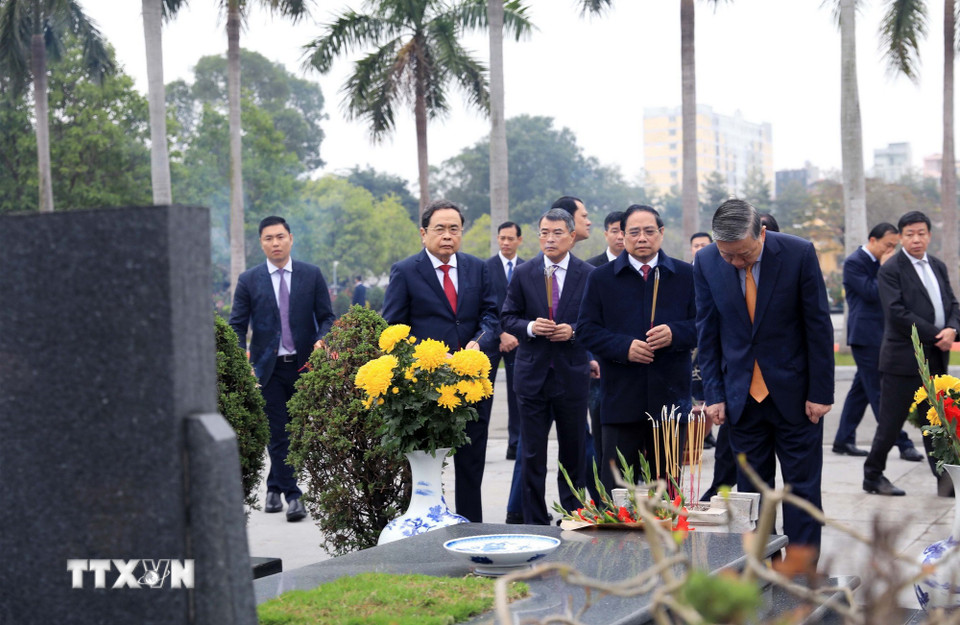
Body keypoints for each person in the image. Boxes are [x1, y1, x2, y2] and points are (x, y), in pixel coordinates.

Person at [694, 199, 834, 553]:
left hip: (796, 396)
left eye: (744, 254)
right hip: (741, 399)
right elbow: (707, 332)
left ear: (763, 234)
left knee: (802, 492)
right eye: (728, 255)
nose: (736, 262)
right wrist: (714, 394)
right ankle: (761, 568)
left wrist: (820, 392)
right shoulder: (706, 261)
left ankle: (801, 573)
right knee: (752, 496)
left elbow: (818, 325)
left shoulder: (799, 254)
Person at [381, 199, 499, 521]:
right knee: (429, 463)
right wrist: (429, 356)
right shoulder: (406, 271)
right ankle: (430, 523)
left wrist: (478, 343)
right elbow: (393, 328)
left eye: (454, 229)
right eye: (440, 229)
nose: (447, 235)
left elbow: (491, 315)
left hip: (472, 381)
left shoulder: (477, 268)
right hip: (427, 386)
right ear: (423, 233)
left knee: (472, 461)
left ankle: (471, 525)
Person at [578, 204, 697, 491]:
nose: (642, 238)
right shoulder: (601, 277)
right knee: (616, 490)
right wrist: (624, 347)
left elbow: (705, 325)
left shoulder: (686, 275)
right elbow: (586, 330)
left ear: (661, 233)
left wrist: (675, 333)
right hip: (621, 399)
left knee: (667, 490)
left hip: (670, 401)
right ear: (622, 235)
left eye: (649, 231)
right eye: (634, 232)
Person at [229, 216, 336, 522]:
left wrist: (322, 339)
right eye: (268, 238)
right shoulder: (249, 280)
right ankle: (293, 496)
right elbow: (237, 325)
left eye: (280, 237)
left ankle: (274, 487)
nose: (275, 243)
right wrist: (240, 360)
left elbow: (327, 317)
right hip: (268, 369)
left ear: (290, 238)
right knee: (278, 433)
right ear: (261, 243)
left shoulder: (311, 275)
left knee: (297, 433)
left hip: (304, 366)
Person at [501, 208, 593, 524]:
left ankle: (573, 514)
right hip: (532, 377)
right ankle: (534, 520)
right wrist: (530, 327)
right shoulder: (524, 273)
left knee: (573, 452)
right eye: (544, 232)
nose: (549, 239)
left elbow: (598, 322)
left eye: (556, 233)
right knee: (531, 454)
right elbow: (507, 317)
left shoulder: (588, 274)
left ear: (571, 236)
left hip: (572, 376)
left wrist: (574, 331)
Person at [863, 211, 960, 497]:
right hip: (903, 361)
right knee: (891, 424)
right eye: (910, 234)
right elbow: (897, 313)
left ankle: (945, 481)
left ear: (929, 235)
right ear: (901, 238)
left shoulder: (938, 265)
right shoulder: (891, 269)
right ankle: (873, 475)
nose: (916, 239)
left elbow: (953, 304)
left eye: (921, 233)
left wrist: (953, 329)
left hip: (936, 358)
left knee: (936, 422)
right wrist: (938, 334)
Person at [833, 223, 923, 459]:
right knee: (879, 393)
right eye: (887, 245)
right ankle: (903, 443)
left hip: (882, 334)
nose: (890, 250)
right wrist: (884, 267)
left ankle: (843, 440)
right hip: (865, 336)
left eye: (894, 246)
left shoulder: (886, 262)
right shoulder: (854, 263)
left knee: (860, 391)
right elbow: (873, 293)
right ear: (873, 240)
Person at [485, 222, 524, 462]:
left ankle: (515, 444)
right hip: (491, 339)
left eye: (510, 238)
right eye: (502, 238)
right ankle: (479, 443)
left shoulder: (527, 268)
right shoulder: (485, 268)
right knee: (483, 394)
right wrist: (500, 333)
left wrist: (515, 335)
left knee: (517, 393)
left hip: (519, 341)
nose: (506, 243)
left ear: (519, 240)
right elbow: (484, 305)